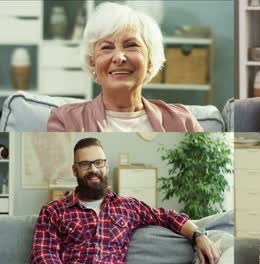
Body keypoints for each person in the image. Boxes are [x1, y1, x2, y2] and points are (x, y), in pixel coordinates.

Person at [30, 138, 219, 263]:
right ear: (75, 170)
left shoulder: (128, 206)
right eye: (85, 164)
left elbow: (167, 217)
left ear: (106, 165)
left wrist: (198, 235)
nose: (93, 169)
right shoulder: (53, 211)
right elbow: (43, 257)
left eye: (99, 163)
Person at [47, 2, 203, 132]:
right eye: (107, 47)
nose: (119, 57)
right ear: (92, 61)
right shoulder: (65, 121)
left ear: (150, 61)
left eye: (131, 45)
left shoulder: (183, 122)